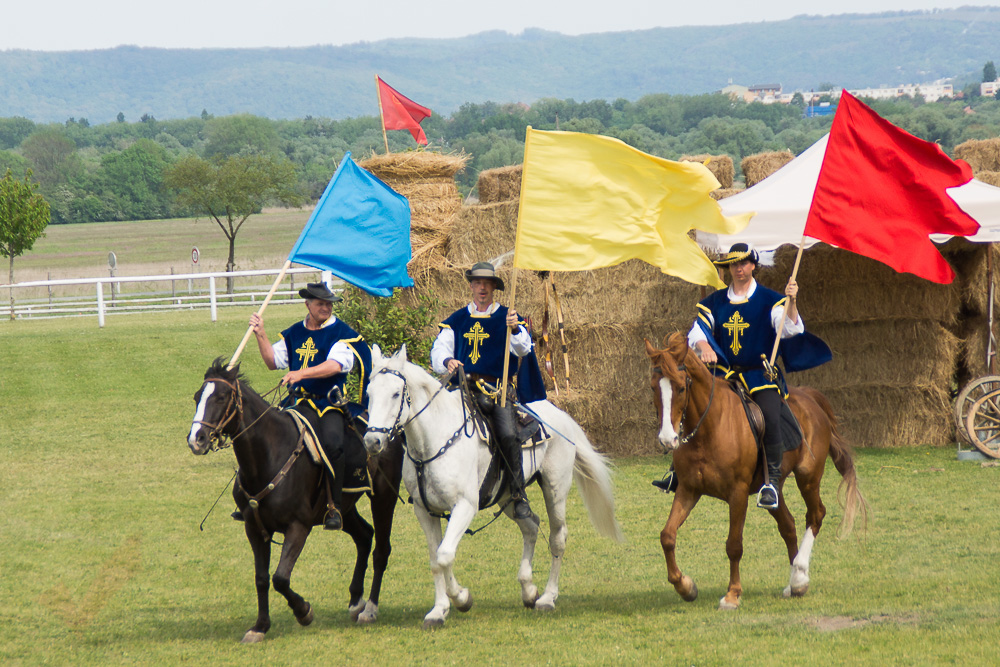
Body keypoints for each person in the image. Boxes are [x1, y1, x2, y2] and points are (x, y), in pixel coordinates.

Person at [654, 243, 823, 510]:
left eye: (744, 263)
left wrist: (792, 302)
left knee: (769, 414)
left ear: (753, 265)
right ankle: (678, 471)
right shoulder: (714, 302)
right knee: (690, 403)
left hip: (759, 375)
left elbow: (789, 328)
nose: (739, 269)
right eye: (734, 264)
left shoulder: (770, 300)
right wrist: (705, 346)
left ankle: (771, 481)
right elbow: (697, 332)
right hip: (723, 375)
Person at [246, 282, 370, 530]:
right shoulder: (294, 333)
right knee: (261, 435)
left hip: (328, 403)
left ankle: (334, 506)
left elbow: (336, 365)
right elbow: (273, 361)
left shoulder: (340, 333)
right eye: (321, 303)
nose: (326, 307)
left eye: (329, 304)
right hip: (296, 402)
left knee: (334, 444)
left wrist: (300, 374)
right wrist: (261, 334)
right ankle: (254, 499)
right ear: (308, 304)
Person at [430, 262, 545, 522]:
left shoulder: (509, 318)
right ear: (471, 286)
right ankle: (429, 487)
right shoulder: (456, 320)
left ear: (494, 287)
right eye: (477, 283)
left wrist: (515, 328)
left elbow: (523, 349)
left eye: (487, 283)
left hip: (496, 391)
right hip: (461, 390)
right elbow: (438, 351)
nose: (482, 288)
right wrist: (447, 360)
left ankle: (517, 495)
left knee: (506, 433)